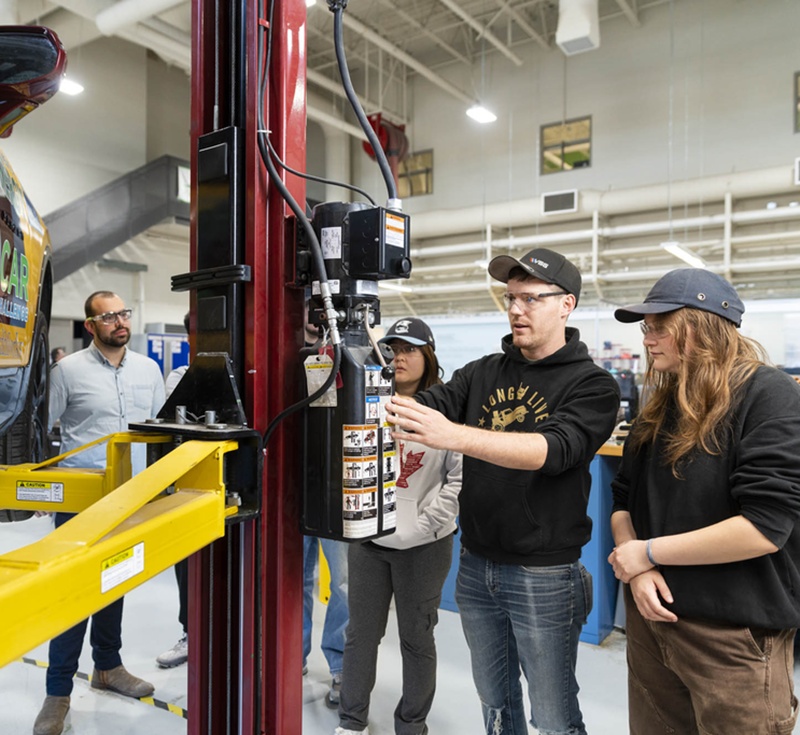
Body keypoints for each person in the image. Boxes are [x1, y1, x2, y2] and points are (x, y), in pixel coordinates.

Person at [386, 248, 620, 735]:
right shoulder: (482, 371)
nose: (516, 309)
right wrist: (372, 395)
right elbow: (425, 403)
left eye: (531, 298)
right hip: (475, 565)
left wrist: (454, 435)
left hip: (545, 574)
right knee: (496, 705)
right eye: (510, 298)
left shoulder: (593, 384)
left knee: (553, 714)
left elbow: (552, 449)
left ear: (566, 305)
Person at [608, 268, 800, 735]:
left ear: (700, 324)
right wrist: (641, 570)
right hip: (653, 623)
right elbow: (623, 498)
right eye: (645, 328)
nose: (648, 339)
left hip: (731, 639)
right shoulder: (662, 402)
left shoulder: (766, 393)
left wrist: (648, 553)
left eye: (658, 326)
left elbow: (763, 527)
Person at [33, 291, 166, 735]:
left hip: (131, 497)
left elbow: (162, 430)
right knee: (72, 595)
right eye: (108, 317)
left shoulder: (149, 370)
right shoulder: (66, 371)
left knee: (115, 582)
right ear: (90, 326)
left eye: (123, 314)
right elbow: (40, 431)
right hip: (81, 501)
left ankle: (107, 665)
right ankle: (57, 693)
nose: (119, 322)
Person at [336, 318, 462, 735]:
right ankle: (352, 721)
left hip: (425, 546)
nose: (399, 357)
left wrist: (422, 527)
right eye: (392, 349)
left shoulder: (448, 410)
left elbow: (458, 481)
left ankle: (411, 726)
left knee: (417, 639)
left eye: (409, 349)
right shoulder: (368, 401)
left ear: (428, 355)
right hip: (370, 541)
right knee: (360, 636)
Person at [304, 316, 349, 707]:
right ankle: (290, 656)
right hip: (289, 487)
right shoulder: (274, 352)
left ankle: (339, 667)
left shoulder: (345, 353)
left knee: (344, 583)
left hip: (335, 488)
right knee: (290, 580)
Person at [156, 311, 191, 668]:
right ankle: (191, 634)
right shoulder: (180, 376)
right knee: (188, 569)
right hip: (190, 488)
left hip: (246, 487)